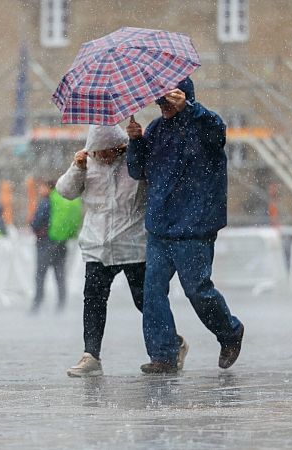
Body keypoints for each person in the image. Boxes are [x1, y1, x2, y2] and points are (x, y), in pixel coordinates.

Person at [126, 77, 245, 374]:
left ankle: (229, 332)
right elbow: (137, 170)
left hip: (195, 226)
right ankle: (164, 354)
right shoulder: (155, 130)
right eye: (159, 101)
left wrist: (191, 109)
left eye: (167, 100)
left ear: (182, 96)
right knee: (152, 292)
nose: (162, 106)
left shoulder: (204, 124)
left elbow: (218, 133)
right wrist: (136, 141)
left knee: (198, 290)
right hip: (160, 227)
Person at [56, 124, 189, 377]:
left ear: (120, 147)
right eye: (99, 152)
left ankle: (173, 344)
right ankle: (91, 355)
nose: (103, 157)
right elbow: (65, 191)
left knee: (145, 302)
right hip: (97, 246)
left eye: (109, 152)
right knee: (93, 302)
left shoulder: (135, 162)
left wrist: (138, 141)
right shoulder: (86, 164)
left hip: (133, 245)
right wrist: (77, 167)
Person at [29, 179, 81, 314]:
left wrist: (33, 225)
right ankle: (61, 304)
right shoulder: (64, 200)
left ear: (48, 187)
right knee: (59, 274)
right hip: (61, 242)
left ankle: (37, 304)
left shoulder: (47, 202)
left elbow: (37, 221)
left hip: (46, 242)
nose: (40, 190)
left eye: (42, 187)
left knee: (41, 274)